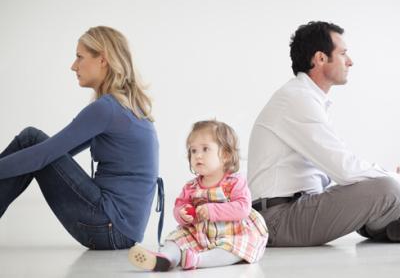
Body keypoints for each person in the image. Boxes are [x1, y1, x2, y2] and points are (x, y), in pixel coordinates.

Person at [247, 21, 400, 246]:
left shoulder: (306, 98)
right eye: (343, 54)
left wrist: (388, 180)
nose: (350, 61)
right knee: (387, 188)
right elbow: (345, 169)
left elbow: (342, 168)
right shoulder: (297, 99)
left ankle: (395, 222)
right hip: (278, 220)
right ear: (320, 58)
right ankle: (395, 222)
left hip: (296, 208)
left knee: (383, 187)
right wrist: (399, 181)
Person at [0, 26, 163, 250]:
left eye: (79, 57)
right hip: (120, 231)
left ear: (103, 60)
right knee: (34, 146)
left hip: (109, 227)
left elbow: (43, 154)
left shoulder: (107, 109)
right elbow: (56, 155)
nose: (73, 66)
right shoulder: (126, 107)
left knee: (31, 139)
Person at [128, 120, 268, 271]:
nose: (197, 156)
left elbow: (243, 208)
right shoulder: (191, 187)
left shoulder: (234, 181)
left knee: (234, 248)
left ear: (226, 155)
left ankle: (198, 260)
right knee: (176, 239)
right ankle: (166, 258)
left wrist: (212, 210)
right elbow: (178, 207)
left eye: (205, 149)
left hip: (231, 232)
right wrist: (182, 213)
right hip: (200, 233)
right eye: (193, 151)